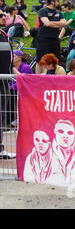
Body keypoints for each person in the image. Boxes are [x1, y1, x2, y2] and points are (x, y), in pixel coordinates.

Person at [35, 0, 68, 74]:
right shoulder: (43, 11)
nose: (58, 2)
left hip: (55, 39)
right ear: (52, 2)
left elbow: (64, 23)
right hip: (44, 39)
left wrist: (51, 23)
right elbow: (46, 23)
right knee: (40, 60)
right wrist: (57, 23)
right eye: (57, 0)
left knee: (55, 60)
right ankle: (38, 79)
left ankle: (54, 78)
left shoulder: (59, 12)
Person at [0, 10, 16, 159]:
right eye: (0, 15)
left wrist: (16, 74)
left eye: (4, 15)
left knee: (1, 114)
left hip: (4, 81)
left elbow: (8, 60)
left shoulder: (4, 35)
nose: (4, 17)